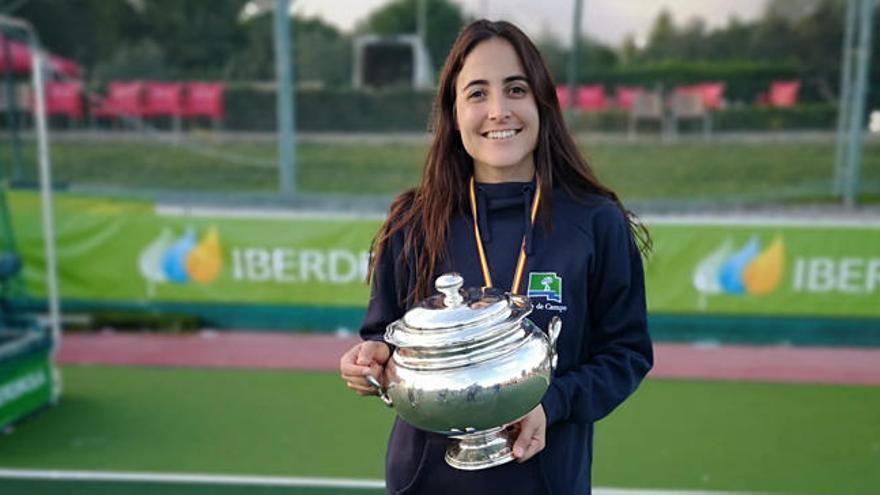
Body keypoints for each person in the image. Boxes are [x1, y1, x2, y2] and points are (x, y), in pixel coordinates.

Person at [339, 19, 653, 495]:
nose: (499, 111)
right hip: (426, 482)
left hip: (544, 480)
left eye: (516, 89)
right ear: (454, 111)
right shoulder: (413, 221)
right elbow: (383, 335)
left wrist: (553, 403)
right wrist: (373, 358)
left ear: (542, 101)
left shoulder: (594, 221)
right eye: (478, 94)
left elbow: (626, 353)